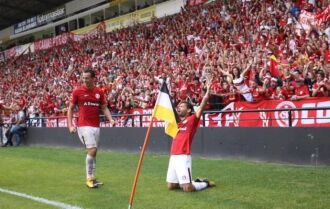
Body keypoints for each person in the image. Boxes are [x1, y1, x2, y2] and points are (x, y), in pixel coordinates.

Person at [67, 69, 116, 188]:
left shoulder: (99, 92)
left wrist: (110, 119)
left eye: (87, 78)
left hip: (95, 126)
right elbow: (70, 109)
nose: (84, 80)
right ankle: (88, 179)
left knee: (94, 152)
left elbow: (104, 108)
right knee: (92, 150)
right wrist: (70, 125)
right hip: (83, 125)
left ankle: (93, 179)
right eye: (83, 78)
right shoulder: (77, 91)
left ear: (93, 78)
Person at [167, 79, 215, 192]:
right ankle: (189, 181)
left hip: (183, 156)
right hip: (173, 155)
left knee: (188, 189)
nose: (179, 108)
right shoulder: (176, 122)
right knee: (171, 186)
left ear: (188, 110)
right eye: (179, 106)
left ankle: (204, 183)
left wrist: (207, 94)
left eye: (182, 106)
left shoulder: (192, 119)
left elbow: (201, 107)